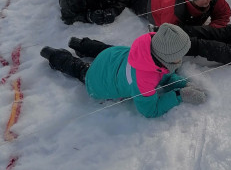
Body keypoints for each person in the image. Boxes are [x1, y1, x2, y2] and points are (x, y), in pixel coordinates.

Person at [40, 23, 207, 118]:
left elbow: (163, 74)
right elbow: (150, 110)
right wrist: (179, 95)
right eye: (179, 56)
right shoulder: (144, 81)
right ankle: (55, 56)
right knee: (81, 69)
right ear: (166, 57)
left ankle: (80, 44)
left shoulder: (149, 49)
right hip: (100, 79)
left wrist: (184, 84)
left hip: (112, 57)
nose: (182, 59)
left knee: (104, 49)